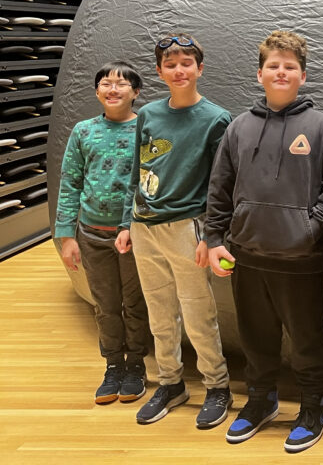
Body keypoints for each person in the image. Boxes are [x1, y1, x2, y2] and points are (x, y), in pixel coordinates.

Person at [205, 31, 323, 451]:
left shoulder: (322, 128)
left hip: (300, 258)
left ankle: (314, 405)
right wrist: (214, 237)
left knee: (307, 341)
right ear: (259, 73)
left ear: (303, 74)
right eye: (273, 66)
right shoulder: (239, 127)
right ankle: (261, 400)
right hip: (247, 254)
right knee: (255, 338)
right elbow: (220, 185)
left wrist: (308, 228)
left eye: (290, 66)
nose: (281, 72)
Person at [115, 32, 233, 428]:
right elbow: (138, 169)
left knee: (199, 313)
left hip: (188, 228)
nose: (179, 70)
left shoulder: (216, 119)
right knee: (160, 313)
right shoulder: (147, 114)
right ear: (159, 71)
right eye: (170, 63)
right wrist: (126, 222)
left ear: (200, 68)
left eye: (187, 63)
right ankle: (171, 383)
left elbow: (221, 185)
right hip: (144, 226)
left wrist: (213, 237)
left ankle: (217, 386)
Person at [55, 61, 149, 405]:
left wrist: (133, 226)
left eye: (122, 84)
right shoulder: (83, 131)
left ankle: (137, 364)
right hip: (91, 234)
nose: (113, 89)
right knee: (106, 305)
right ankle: (113, 365)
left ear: (135, 93)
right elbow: (70, 184)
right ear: (97, 92)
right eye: (106, 84)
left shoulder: (146, 130)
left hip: (135, 236)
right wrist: (67, 236)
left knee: (135, 303)